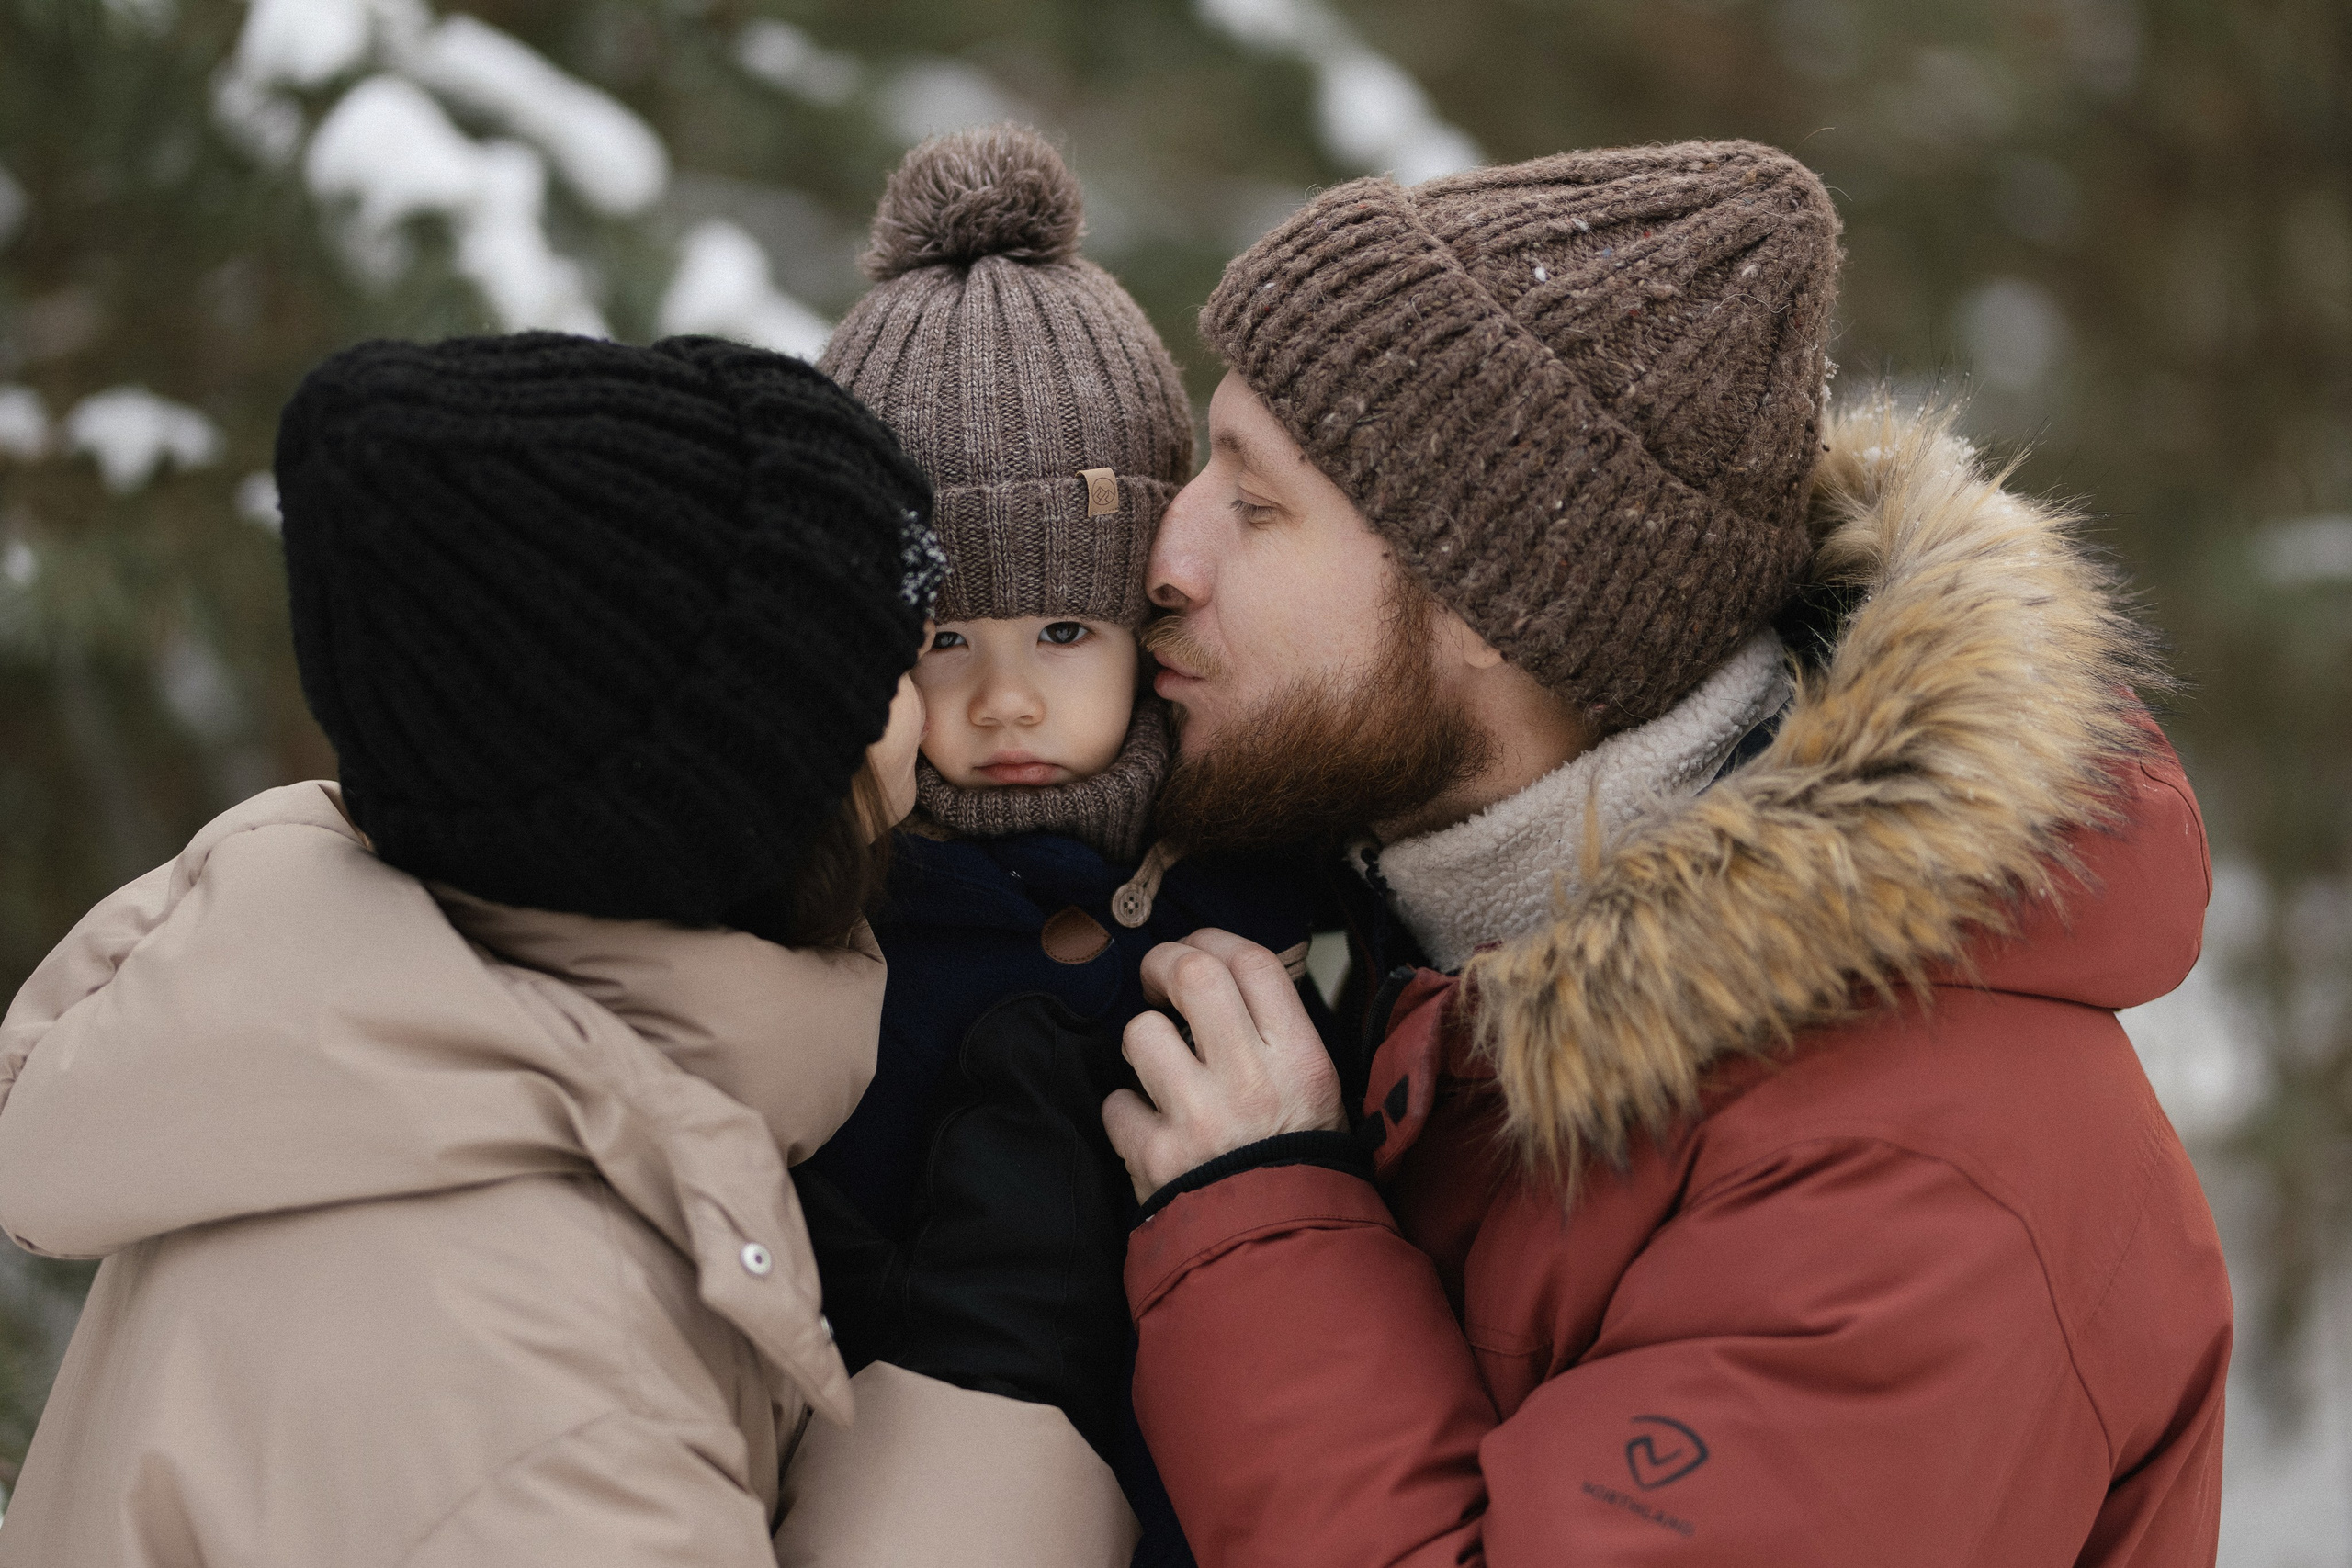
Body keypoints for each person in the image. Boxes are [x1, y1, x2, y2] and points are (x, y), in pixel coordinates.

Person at [1099, 141, 2233, 1565]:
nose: (1165, 552)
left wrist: (1256, 1233)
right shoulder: (1414, 939)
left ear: (1506, 605)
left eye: (1255, 505)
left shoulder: (1917, 1186)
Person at [0, 333, 947, 1567]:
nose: (941, 695)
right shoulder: (551, 1394)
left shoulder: (330, 1086)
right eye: (890, 653)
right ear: (739, 789)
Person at [775, 124, 1327, 1568]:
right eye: (944, 638)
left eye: (1065, 632)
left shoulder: (1265, 868)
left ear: (1150, 609)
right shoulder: (839, 904)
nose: (1004, 695)